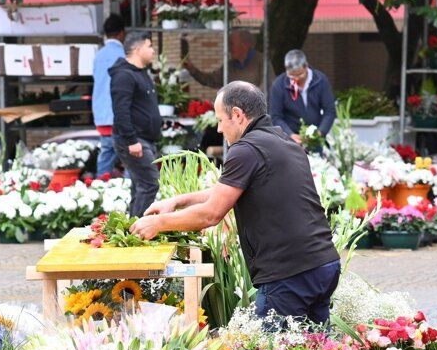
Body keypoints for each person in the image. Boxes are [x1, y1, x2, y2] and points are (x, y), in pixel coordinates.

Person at [134, 81, 340, 323]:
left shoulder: (246, 149)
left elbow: (210, 215)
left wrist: (158, 223)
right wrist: (178, 201)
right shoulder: (283, 142)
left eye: (220, 120)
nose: (219, 129)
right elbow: (230, 190)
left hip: (289, 273)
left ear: (238, 115)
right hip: (323, 264)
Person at [108, 31, 162, 216]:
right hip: (133, 140)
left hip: (144, 139)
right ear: (138, 49)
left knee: (140, 185)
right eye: (150, 46)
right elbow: (120, 111)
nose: (153, 51)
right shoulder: (124, 75)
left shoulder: (140, 73)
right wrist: (131, 140)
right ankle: (138, 229)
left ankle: (133, 228)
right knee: (150, 183)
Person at [268, 50, 337, 140]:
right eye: (292, 75)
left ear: (306, 66)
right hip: (289, 138)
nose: (296, 79)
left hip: (316, 136)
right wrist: (290, 135)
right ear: (286, 69)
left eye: (300, 74)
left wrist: (320, 132)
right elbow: (275, 116)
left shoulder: (320, 80)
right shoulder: (278, 85)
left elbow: (329, 111)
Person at [90, 14, 127, 178]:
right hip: (121, 115)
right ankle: (130, 195)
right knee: (130, 159)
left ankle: (100, 190)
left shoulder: (98, 56)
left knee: (105, 158)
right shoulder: (125, 55)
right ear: (121, 33)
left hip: (102, 115)